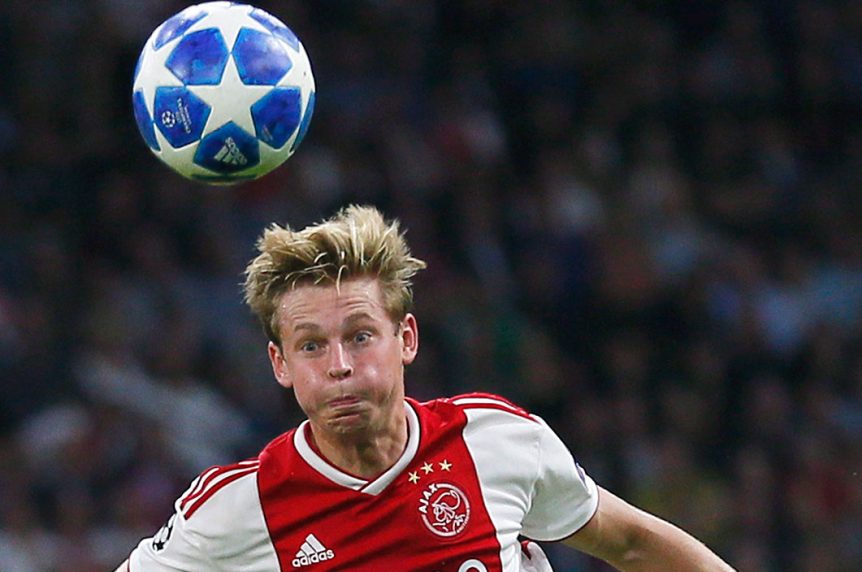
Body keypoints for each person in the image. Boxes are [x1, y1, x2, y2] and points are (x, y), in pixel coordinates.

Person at [115, 205, 735, 571]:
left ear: (406, 337)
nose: (339, 366)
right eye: (311, 346)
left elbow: (631, 544)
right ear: (280, 364)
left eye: (361, 336)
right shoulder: (236, 509)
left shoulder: (495, 440)